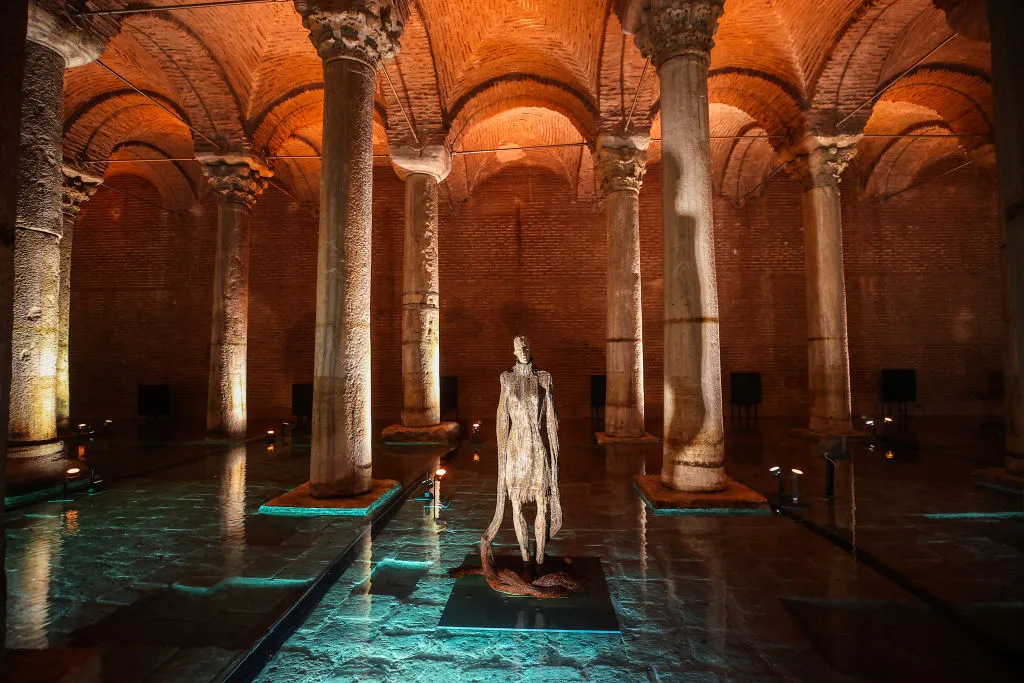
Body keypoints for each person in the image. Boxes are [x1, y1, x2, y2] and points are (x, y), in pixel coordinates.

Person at [483, 335, 562, 564]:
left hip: (536, 444)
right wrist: (502, 452)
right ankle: (525, 557)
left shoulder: (544, 378)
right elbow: (502, 417)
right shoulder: (506, 379)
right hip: (516, 445)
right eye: (520, 347)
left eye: (527, 346)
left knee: (542, 503)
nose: (524, 350)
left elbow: (551, 418)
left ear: (531, 348)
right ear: (514, 351)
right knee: (516, 503)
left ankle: (539, 557)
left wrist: (554, 451)